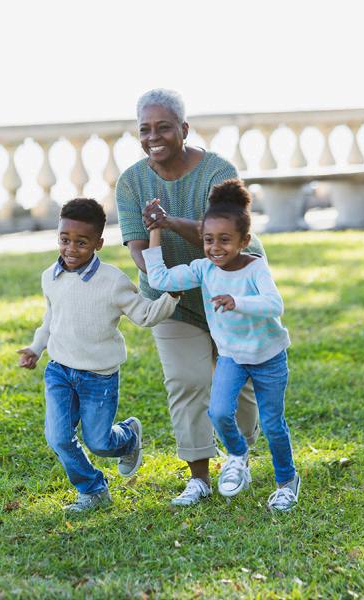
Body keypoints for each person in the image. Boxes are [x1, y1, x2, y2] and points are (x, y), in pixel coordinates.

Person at [115, 88, 265, 506]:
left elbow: (225, 238)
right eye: (145, 129)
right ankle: (198, 477)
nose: (153, 137)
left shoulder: (218, 172)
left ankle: (238, 455)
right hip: (172, 298)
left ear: (183, 129)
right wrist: (164, 279)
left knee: (238, 385)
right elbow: (137, 245)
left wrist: (169, 222)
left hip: (229, 291)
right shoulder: (131, 182)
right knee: (186, 381)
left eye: (163, 127)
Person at [143, 178, 300, 511]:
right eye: (208, 239)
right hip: (232, 357)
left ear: (244, 241)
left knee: (273, 425)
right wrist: (155, 229)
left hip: (269, 357)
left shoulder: (255, 267)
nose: (215, 248)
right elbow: (159, 279)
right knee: (218, 412)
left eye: (225, 240)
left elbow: (274, 305)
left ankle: (287, 482)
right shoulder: (204, 269)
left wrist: (237, 301)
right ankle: (238, 456)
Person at [17, 198, 180, 512]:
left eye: (81, 242)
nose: (71, 249)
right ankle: (93, 490)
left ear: (98, 244)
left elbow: (145, 315)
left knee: (100, 443)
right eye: (65, 239)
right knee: (58, 438)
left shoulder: (113, 281)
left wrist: (171, 297)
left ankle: (128, 437)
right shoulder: (50, 276)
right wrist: (36, 348)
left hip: (98, 377)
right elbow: (51, 319)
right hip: (60, 371)